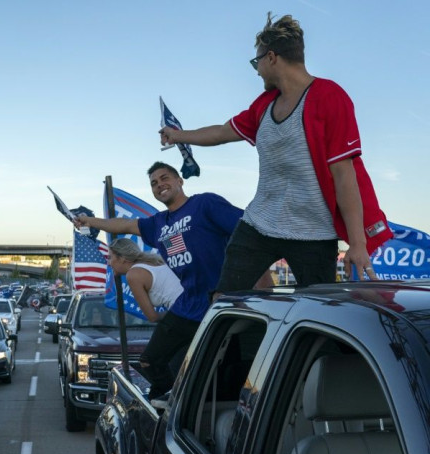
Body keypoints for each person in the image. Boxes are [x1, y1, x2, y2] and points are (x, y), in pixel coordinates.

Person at [159, 12, 392, 297]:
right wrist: (178, 135)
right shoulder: (264, 105)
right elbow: (222, 132)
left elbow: (345, 175)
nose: (256, 70)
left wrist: (357, 244)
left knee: (317, 315)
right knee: (225, 300)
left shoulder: (329, 96)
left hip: (314, 235)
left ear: (271, 57)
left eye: (256, 62)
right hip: (259, 226)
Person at [76, 162, 270, 398]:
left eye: (165, 178)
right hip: (187, 305)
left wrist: (262, 283)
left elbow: (249, 233)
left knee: (222, 375)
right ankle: (165, 402)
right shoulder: (158, 223)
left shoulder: (204, 204)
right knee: (150, 359)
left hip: (221, 305)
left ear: (180, 181)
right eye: (154, 183)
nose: (160, 185)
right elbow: (125, 224)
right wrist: (90, 221)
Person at [107, 238, 183, 323]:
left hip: (186, 311)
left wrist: (176, 312)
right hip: (192, 307)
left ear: (122, 258)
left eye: (110, 257)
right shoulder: (154, 262)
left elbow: (153, 317)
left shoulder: (133, 275)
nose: (108, 263)